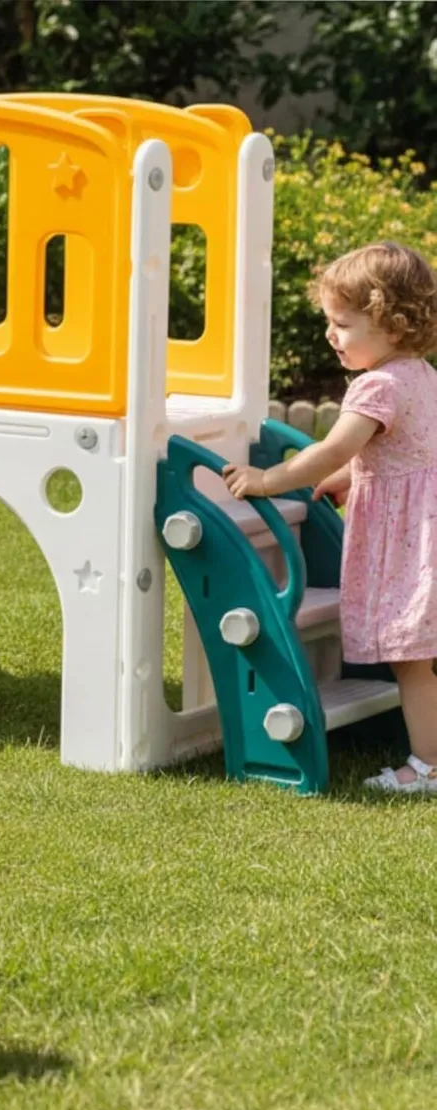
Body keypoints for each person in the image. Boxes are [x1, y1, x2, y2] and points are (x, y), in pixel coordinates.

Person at [223, 241, 437, 793]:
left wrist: (268, 480)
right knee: (421, 658)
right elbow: (408, 450)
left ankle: (426, 768)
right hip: (423, 524)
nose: (329, 335)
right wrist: (355, 477)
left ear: (392, 324)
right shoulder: (420, 374)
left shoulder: (377, 386)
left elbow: (333, 449)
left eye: (342, 324)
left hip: (409, 542)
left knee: (412, 661)